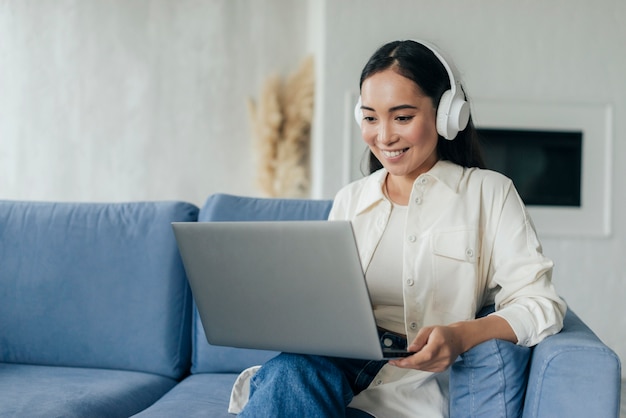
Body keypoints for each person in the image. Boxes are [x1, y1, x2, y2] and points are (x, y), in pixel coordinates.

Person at [232, 39, 567, 417]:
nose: (384, 136)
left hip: (411, 386)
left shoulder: (489, 193)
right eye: (371, 118)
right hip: (329, 370)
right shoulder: (350, 199)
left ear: (446, 115)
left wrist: (459, 336)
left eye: (402, 117)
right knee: (289, 374)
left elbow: (542, 304)